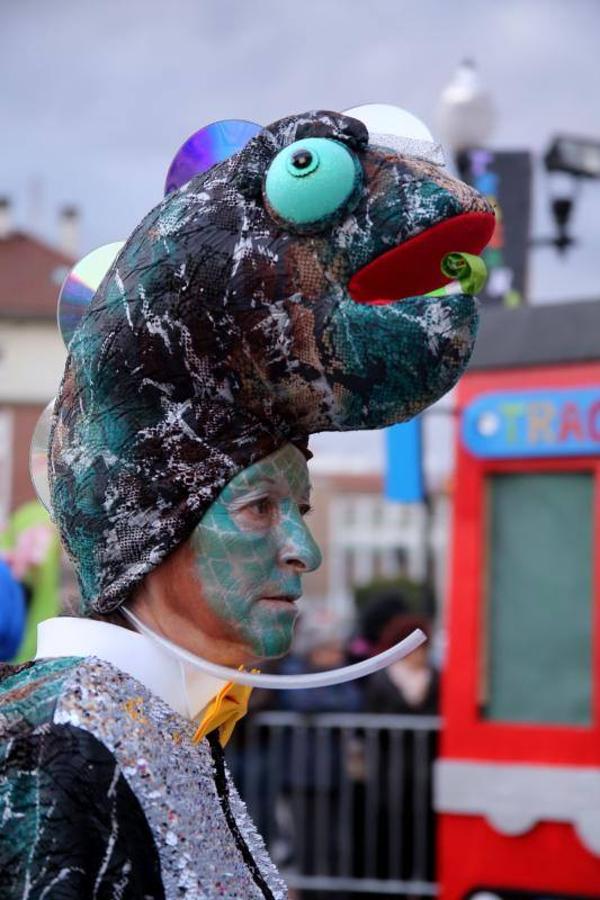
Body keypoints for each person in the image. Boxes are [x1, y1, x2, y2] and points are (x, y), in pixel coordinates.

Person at [0, 108, 492, 898]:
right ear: (156, 524)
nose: (307, 550)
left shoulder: (170, 723)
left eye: (301, 509)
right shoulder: (57, 751)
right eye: (260, 508)